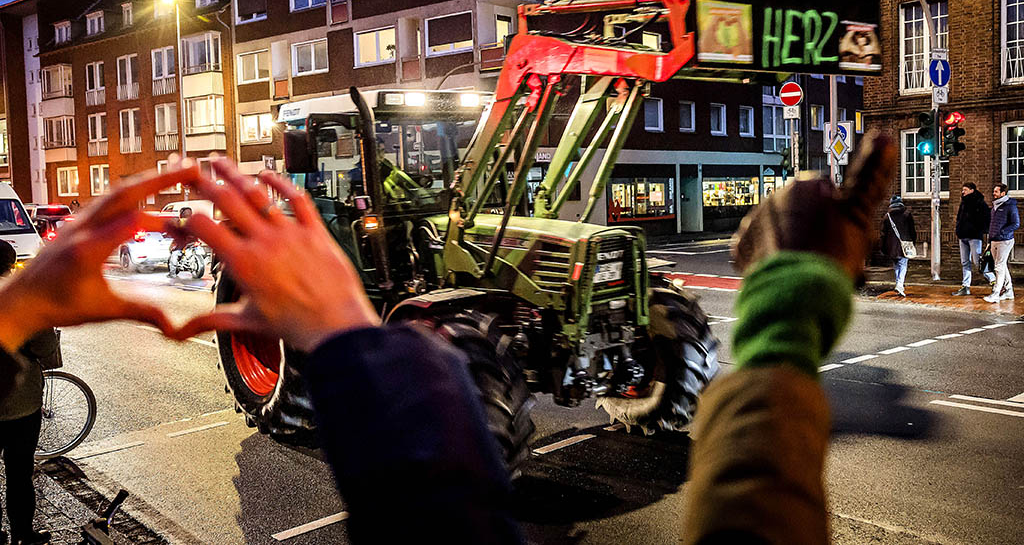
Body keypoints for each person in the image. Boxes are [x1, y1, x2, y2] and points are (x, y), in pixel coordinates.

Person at [0, 133, 897, 544]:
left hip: (417, 260)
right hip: (379, 275)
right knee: (442, 305)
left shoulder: (429, 178)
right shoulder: (361, 189)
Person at [0, 241, 56, 545]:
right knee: (19, 473)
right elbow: (46, 348)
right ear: (11, 263)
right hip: (20, 400)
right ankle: (23, 534)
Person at [953, 182, 992, 295]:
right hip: (963, 236)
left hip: (974, 236)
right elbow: (959, 218)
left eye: (965, 189)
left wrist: (979, 230)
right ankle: (965, 286)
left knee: (978, 262)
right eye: (962, 189)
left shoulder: (979, 202)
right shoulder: (963, 202)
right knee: (965, 262)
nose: (963, 191)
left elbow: (986, 219)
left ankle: (993, 280)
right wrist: (958, 230)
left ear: (972, 190)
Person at [984, 182, 1019, 303]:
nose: (993, 193)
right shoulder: (995, 206)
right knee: (1001, 266)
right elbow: (992, 224)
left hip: (1005, 240)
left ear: (1003, 193)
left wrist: (1002, 232)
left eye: (996, 191)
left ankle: (996, 293)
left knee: (998, 267)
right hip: (994, 240)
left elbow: (1015, 223)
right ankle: (1009, 291)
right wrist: (989, 240)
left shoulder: (1010, 205)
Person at [880, 194, 916, 297]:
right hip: (904, 244)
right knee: (903, 264)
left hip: (891, 245)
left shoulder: (887, 216)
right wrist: (913, 242)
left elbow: (883, 233)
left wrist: (883, 247)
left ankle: (898, 283)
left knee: (896, 264)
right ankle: (900, 284)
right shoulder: (907, 214)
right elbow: (912, 230)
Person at [166, 207, 194, 278]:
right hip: (193, 241)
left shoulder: (180, 221)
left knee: (174, 254)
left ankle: (172, 274)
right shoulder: (194, 221)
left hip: (183, 241)